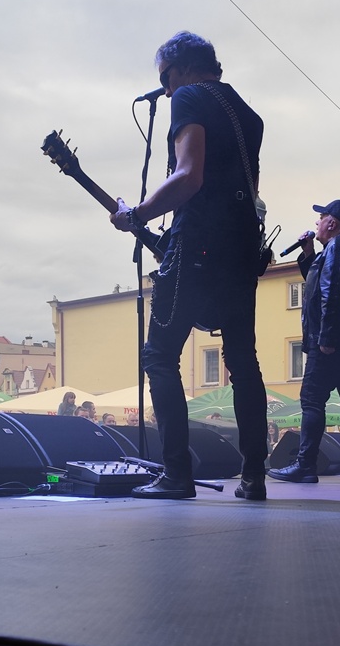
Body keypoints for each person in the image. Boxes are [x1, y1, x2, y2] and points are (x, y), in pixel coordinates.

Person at [110, 31, 269, 501]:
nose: (164, 90)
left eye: (165, 77)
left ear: (181, 68)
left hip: (198, 243)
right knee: (243, 361)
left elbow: (189, 175)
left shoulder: (190, 97)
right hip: (241, 248)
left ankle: (177, 475)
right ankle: (254, 477)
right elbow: (249, 191)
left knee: (160, 356)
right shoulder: (247, 114)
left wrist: (138, 214)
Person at [268, 200, 340, 485]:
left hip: (333, 342)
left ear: (331, 223)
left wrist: (327, 338)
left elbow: (333, 292)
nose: (317, 223)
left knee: (312, 399)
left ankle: (305, 464)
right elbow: (321, 283)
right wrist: (309, 253)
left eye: (321, 218)